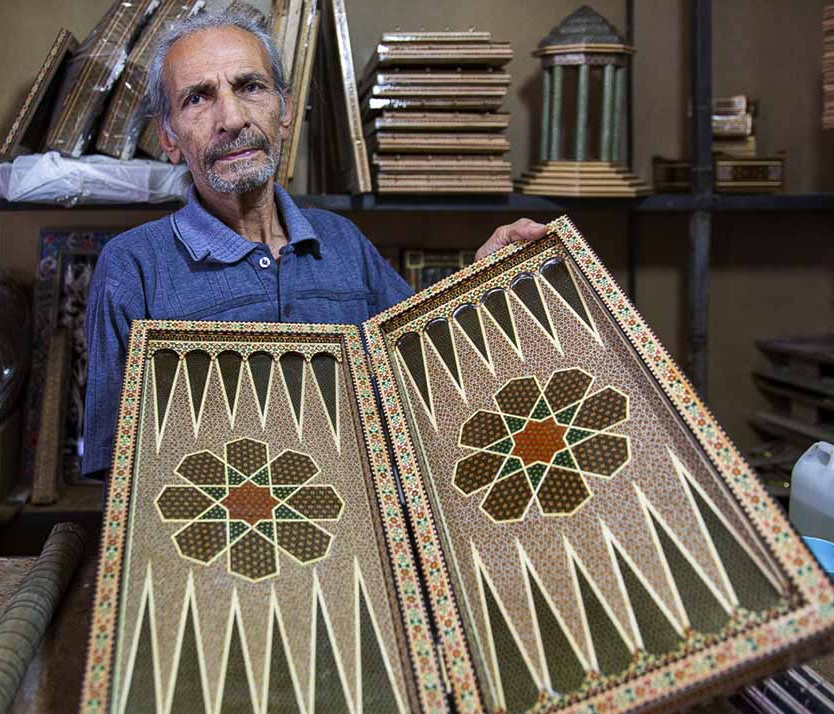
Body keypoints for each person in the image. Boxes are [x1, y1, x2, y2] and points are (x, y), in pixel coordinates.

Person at [82, 10, 547, 478]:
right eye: (198, 98)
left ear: (284, 112)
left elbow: (425, 375)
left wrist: (483, 286)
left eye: (250, 87)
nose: (232, 118)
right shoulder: (131, 267)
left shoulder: (342, 240)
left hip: (355, 536)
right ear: (169, 137)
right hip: (211, 537)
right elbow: (118, 479)